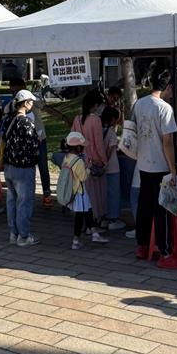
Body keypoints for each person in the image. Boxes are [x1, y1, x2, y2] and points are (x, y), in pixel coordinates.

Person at [133, 71, 177, 268]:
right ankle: (165, 253)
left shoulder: (139, 104)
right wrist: (173, 170)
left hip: (143, 163)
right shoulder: (165, 108)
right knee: (162, 210)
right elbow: (167, 142)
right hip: (160, 166)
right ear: (168, 87)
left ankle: (142, 246)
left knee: (144, 207)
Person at [3, 90, 42, 246]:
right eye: (31, 102)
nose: (32, 104)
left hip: (9, 166)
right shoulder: (27, 122)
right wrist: (37, 139)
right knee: (24, 202)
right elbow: (34, 145)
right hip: (24, 168)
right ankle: (24, 236)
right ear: (25, 103)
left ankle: (13, 233)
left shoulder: (9, 120)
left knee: (11, 201)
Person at [10, 77, 52, 207]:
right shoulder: (12, 104)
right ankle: (28, 196)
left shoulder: (32, 99)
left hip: (38, 139)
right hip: (24, 143)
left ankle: (46, 194)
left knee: (43, 167)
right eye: (13, 91)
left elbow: (45, 107)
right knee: (28, 169)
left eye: (17, 90)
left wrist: (62, 116)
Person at [62, 131, 107, 249]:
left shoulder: (67, 158)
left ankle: (94, 233)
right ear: (78, 147)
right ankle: (75, 241)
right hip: (80, 191)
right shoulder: (78, 161)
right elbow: (83, 177)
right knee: (80, 216)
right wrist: (88, 168)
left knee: (88, 211)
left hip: (73, 190)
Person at [72, 89, 108, 225]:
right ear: (95, 105)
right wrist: (104, 161)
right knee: (96, 195)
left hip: (80, 161)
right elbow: (99, 145)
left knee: (83, 195)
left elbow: (72, 139)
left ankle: (85, 224)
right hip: (93, 162)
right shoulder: (96, 120)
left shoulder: (77, 119)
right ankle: (95, 222)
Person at [100, 105, 123, 230]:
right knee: (114, 193)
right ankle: (113, 219)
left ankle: (104, 218)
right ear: (113, 119)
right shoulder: (111, 132)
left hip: (102, 169)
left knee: (105, 194)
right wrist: (106, 162)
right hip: (112, 167)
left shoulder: (100, 130)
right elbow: (110, 149)